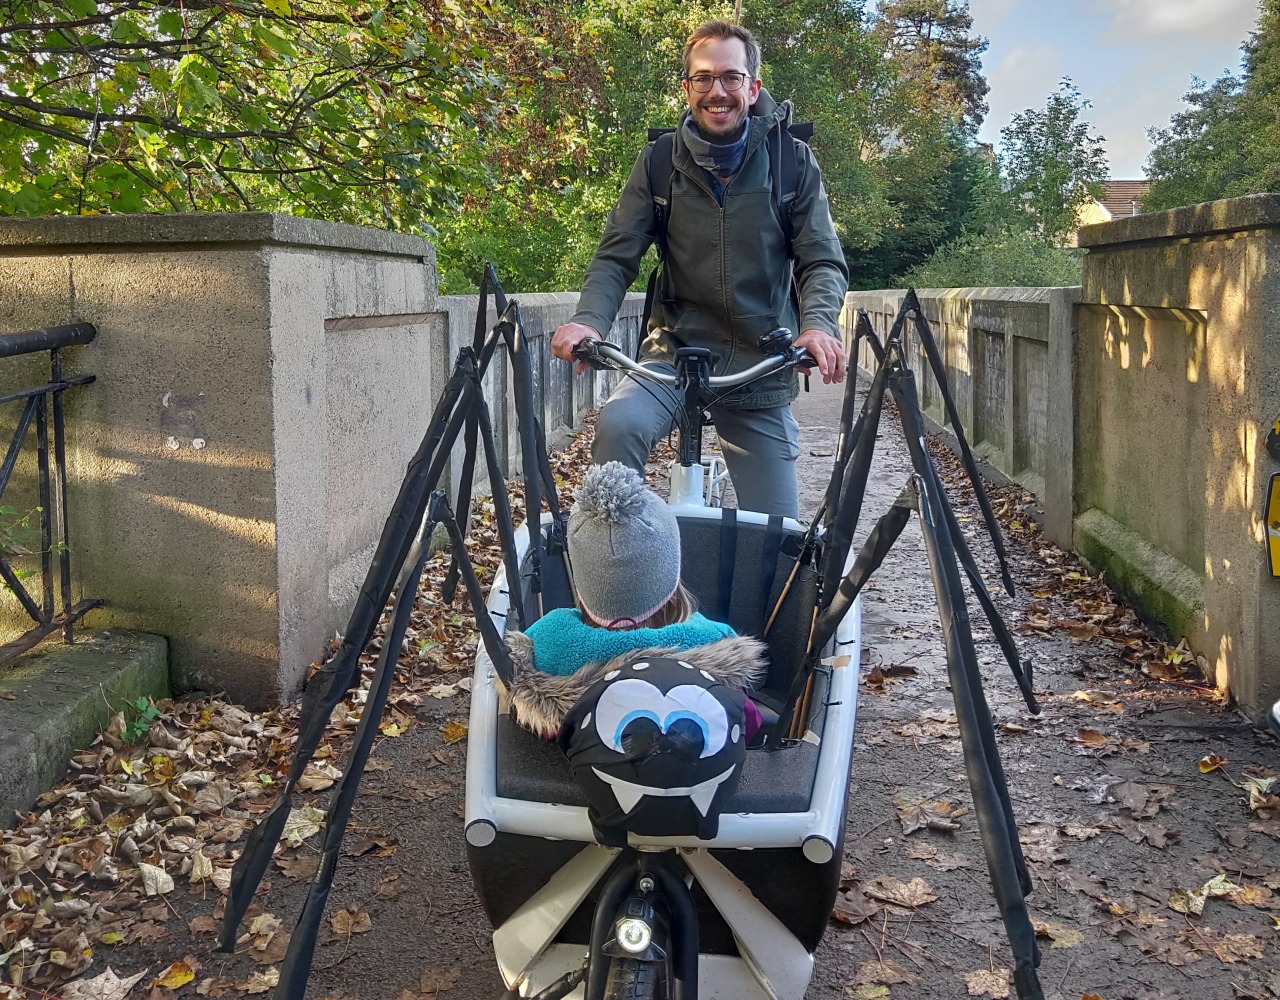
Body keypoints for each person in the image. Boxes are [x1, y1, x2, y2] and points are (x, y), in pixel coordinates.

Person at [551, 19, 850, 519]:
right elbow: (616, 254)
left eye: (731, 77)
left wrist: (817, 326)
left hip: (762, 363)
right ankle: (615, 574)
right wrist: (589, 321)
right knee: (618, 426)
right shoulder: (658, 162)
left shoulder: (792, 163)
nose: (718, 91)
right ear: (687, 87)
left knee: (775, 536)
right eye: (704, 78)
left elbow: (821, 259)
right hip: (672, 355)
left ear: (752, 88)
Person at [501, 461, 766, 740]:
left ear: (582, 587)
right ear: (673, 585)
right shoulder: (714, 647)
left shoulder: (544, 651)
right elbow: (750, 725)